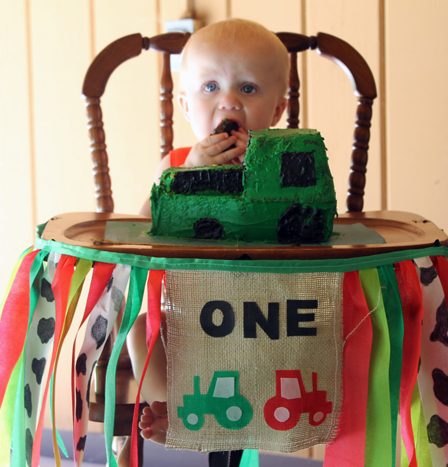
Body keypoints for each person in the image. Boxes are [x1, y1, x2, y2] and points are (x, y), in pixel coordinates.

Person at [123, 17, 289, 462]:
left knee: (302, 338)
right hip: (185, 318)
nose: (229, 102)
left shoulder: (282, 169)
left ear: (277, 111)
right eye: (210, 87)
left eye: (248, 90)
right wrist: (185, 178)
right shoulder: (175, 166)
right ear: (184, 103)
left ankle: (243, 417)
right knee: (140, 334)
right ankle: (178, 412)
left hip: (260, 317)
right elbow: (139, 229)